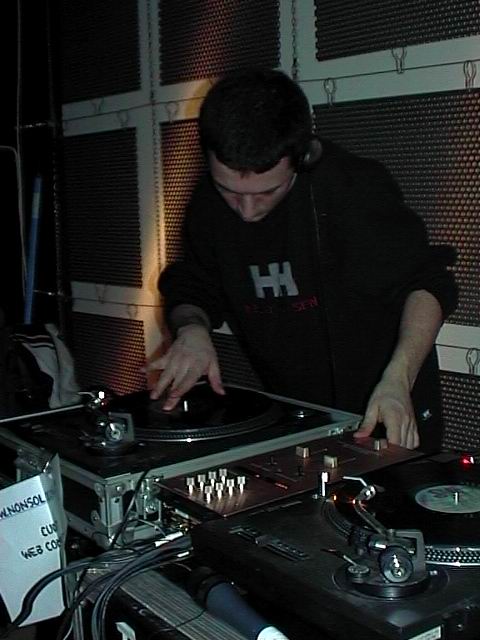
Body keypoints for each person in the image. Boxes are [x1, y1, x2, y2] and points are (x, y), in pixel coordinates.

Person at [148, 68, 457, 452]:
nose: (246, 210)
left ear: (304, 158)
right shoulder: (205, 206)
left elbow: (426, 283)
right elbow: (193, 286)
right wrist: (192, 330)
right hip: (298, 418)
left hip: (390, 404)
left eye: (266, 192)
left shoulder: (353, 189)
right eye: (230, 190)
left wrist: (399, 379)